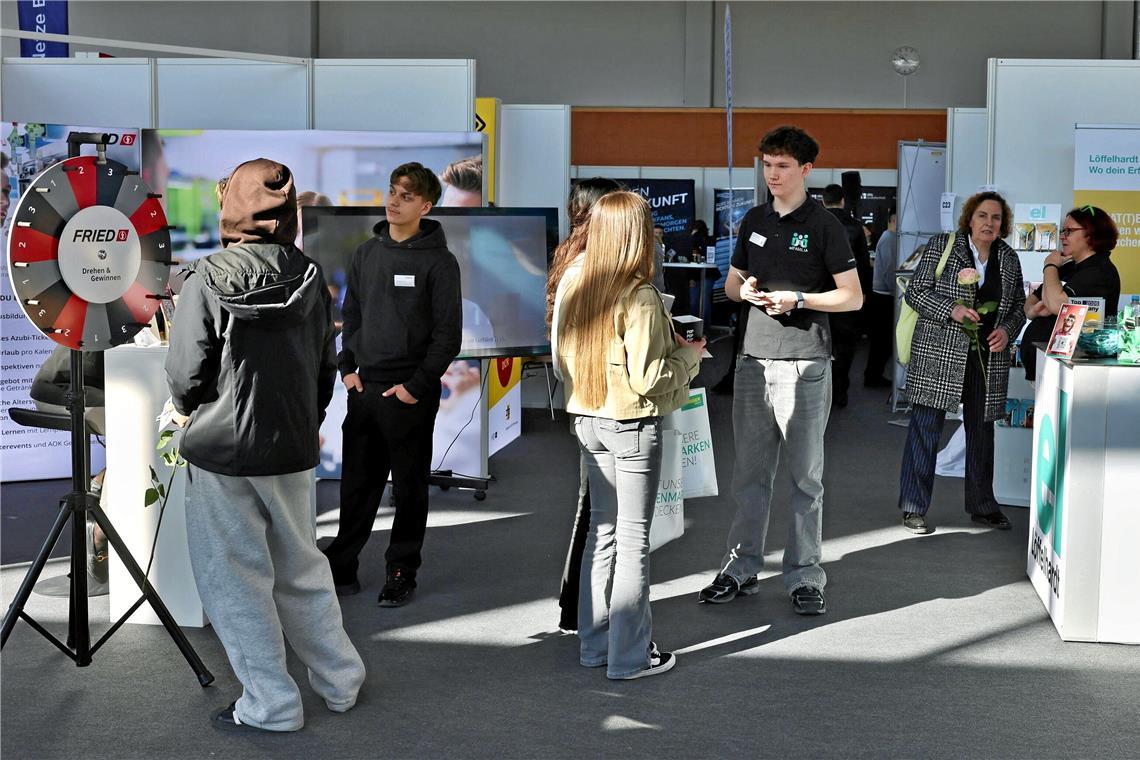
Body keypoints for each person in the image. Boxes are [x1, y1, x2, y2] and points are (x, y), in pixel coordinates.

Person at [165, 158, 365, 732]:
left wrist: (185, 413)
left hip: (223, 452)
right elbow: (324, 369)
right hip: (292, 449)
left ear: (232, 206)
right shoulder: (311, 277)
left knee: (235, 579)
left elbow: (186, 378)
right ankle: (340, 680)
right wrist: (305, 421)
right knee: (303, 568)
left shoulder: (205, 278)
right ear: (289, 211)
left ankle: (271, 704)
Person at [700, 126, 862, 615]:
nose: (773, 173)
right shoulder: (753, 218)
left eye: (783, 166)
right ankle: (741, 566)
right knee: (749, 475)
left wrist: (800, 299)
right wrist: (745, 292)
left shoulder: (826, 226)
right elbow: (731, 287)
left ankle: (804, 575)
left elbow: (852, 297)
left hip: (806, 364)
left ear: (806, 170)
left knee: (803, 479)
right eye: (767, 164)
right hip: (752, 362)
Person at [553, 191, 705, 679]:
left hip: (587, 419)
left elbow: (560, 361)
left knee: (603, 534)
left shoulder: (575, 280)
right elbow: (650, 378)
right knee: (633, 541)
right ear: (638, 234)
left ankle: (595, 647)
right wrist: (691, 357)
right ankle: (630, 657)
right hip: (631, 426)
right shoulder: (638, 295)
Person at [321, 162, 462, 606]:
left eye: (406, 196)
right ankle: (341, 566)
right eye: (392, 192)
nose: (395, 201)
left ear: (426, 205)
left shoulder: (441, 262)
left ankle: (402, 571)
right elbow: (353, 315)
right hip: (364, 391)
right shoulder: (366, 254)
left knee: (409, 487)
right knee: (356, 486)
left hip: (408, 396)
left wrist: (415, 387)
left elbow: (447, 336)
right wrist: (347, 368)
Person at [898, 191, 1026, 535]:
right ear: (970, 218)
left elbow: (1018, 305)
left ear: (1004, 223)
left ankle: (983, 507)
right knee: (925, 429)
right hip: (938, 354)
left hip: (987, 358)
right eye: (983, 216)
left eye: (996, 217)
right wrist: (951, 310)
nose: (989, 223)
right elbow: (917, 291)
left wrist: (1006, 331)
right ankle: (913, 506)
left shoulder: (1009, 258)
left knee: (982, 434)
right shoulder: (943, 245)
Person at [546, 177, 622, 632]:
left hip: (588, 401)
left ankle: (578, 607)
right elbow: (567, 349)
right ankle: (582, 609)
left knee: (595, 507)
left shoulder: (573, 264)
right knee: (600, 512)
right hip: (602, 405)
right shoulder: (587, 271)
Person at [1021, 206, 1120, 380]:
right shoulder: (1069, 267)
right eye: (1063, 230)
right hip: (1048, 370)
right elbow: (1030, 303)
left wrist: (1049, 265)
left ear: (1091, 233)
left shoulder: (1099, 271)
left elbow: (1056, 304)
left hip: (1071, 374)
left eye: (1069, 231)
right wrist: (1033, 311)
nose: (1062, 236)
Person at [821, 184, 872, 407]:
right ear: (843, 200)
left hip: (819, 293)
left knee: (819, 341)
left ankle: (820, 389)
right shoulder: (855, 226)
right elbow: (862, 262)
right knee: (845, 343)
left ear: (823, 201)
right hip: (847, 292)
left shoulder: (816, 222)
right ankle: (840, 391)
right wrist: (864, 292)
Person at [864, 210, 897, 387]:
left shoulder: (887, 238)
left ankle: (873, 375)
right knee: (882, 341)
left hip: (882, 295)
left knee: (881, 340)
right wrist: (896, 292)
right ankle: (873, 376)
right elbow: (889, 271)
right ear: (894, 220)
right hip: (884, 297)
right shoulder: (889, 239)